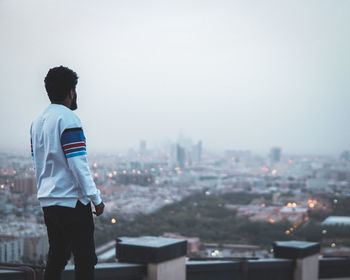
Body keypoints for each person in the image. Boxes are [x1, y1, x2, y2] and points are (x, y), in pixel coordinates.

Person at [30, 66, 105, 280]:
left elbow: (38, 163)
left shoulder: (36, 122)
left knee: (57, 257)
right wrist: (96, 199)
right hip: (72, 202)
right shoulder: (69, 119)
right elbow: (78, 164)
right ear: (71, 91)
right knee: (85, 259)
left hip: (48, 201)